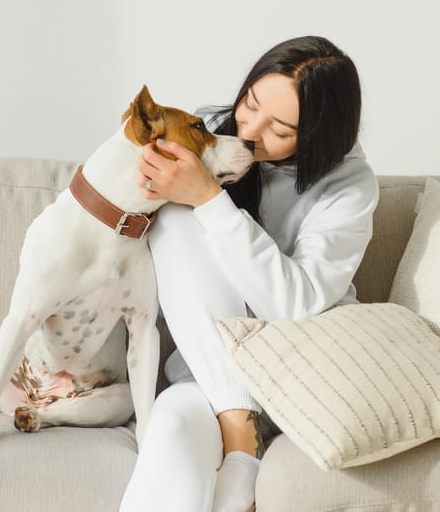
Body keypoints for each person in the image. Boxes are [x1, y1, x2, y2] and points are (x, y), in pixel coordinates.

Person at [119, 36, 379, 512]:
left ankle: (243, 433)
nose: (251, 131)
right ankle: (240, 430)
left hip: (290, 375)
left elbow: (296, 304)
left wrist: (209, 200)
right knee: (171, 429)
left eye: (279, 128)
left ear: (319, 135)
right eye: (249, 103)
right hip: (207, 377)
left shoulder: (350, 185)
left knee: (185, 206)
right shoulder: (207, 135)